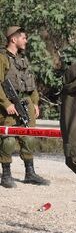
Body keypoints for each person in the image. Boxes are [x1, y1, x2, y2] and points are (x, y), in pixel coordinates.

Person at [0, 26, 49, 188]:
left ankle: (30, 173)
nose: (26, 41)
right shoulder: (2, 58)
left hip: (25, 104)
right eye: (23, 38)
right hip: (9, 106)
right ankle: (6, 175)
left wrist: (35, 102)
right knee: (8, 140)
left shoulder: (23, 59)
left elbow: (31, 84)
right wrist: (6, 104)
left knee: (28, 137)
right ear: (13, 39)